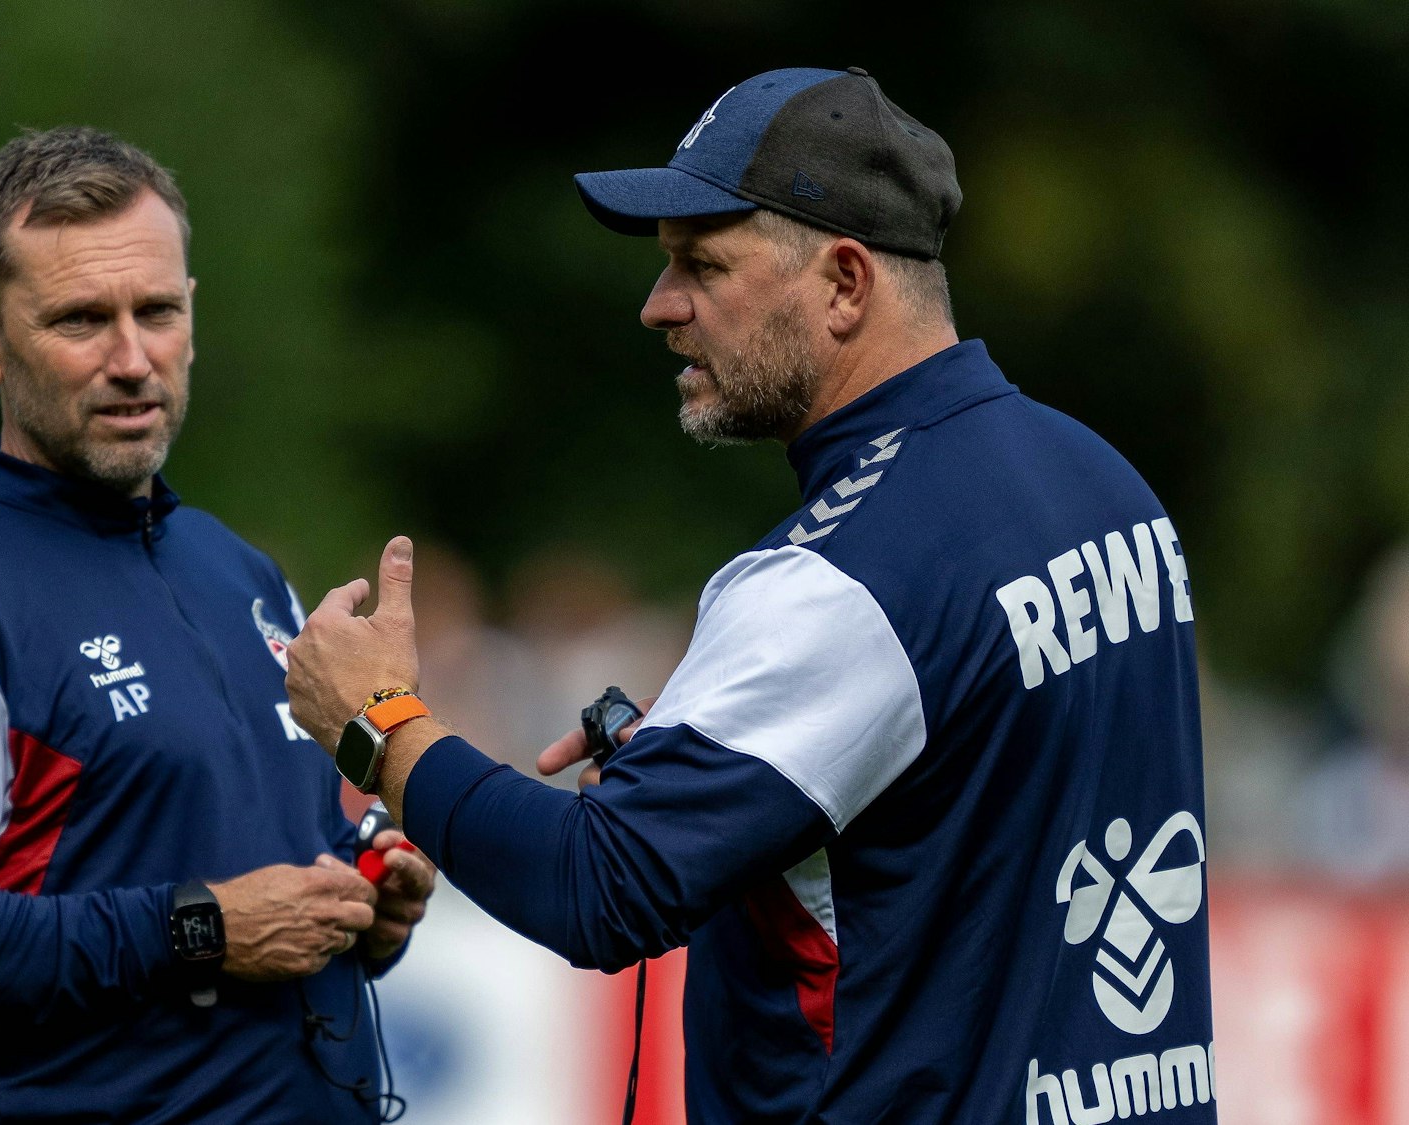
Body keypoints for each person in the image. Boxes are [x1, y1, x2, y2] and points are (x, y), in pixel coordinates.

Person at [287, 68, 1214, 1123]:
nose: (657, 307)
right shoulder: (1102, 481)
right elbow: (964, 813)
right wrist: (707, 774)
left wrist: (377, 723)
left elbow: (599, 890)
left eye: (701, 264)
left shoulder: (840, 575)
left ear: (843, 283)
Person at [0, 127, 436, 1124]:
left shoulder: (237, 567)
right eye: (79, 320)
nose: (131, 358)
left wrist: (367, 898)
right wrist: (194, 930)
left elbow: (247, 867)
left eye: (154, 311)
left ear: (192, 312)